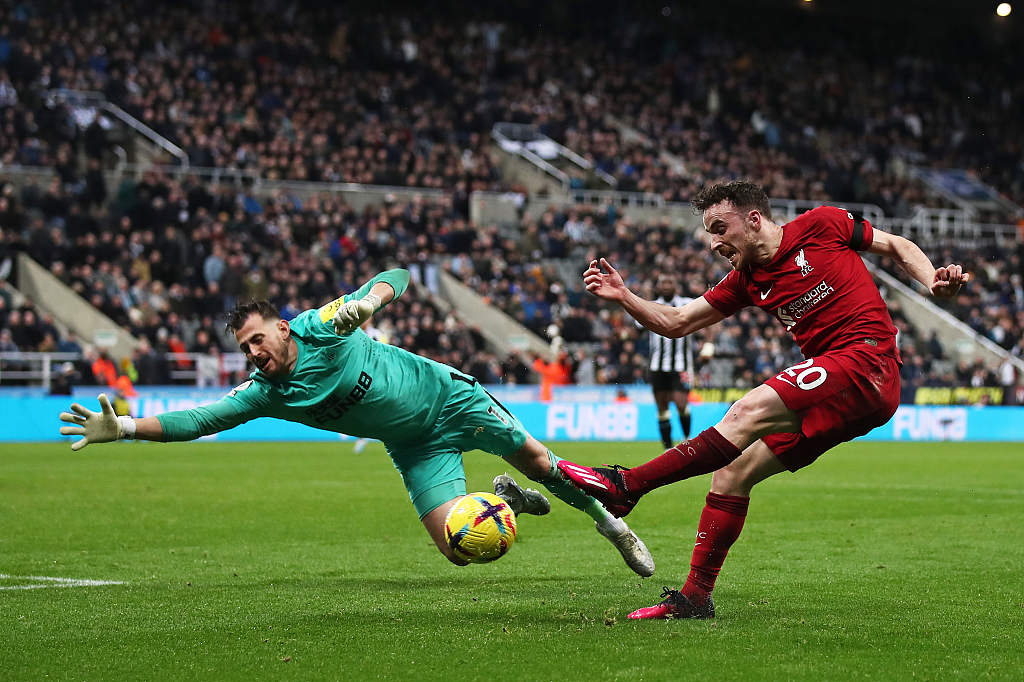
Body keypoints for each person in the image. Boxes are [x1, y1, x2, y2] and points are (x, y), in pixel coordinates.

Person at [60, 269, 654, 576]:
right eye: (245, 348)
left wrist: (369, 302)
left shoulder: (320, 326)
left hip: (450, 400)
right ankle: (507, 503)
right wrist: (127, 428)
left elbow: (394, 274)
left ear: (282, 328)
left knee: (541, 461)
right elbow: (197, 418)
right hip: (413, 445)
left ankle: (611, 526)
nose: (254, 353)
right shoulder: (265, 392)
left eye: (258, 339)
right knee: (458, 551)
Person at [557, 181, 969, 619]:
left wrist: (933, 281)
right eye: (710, 233)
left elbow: (897, 245)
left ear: (754, 220)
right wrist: (625, 296)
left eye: (720, 228)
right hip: (838, 388)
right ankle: (695, 598)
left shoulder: (822, 224)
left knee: (746, 411)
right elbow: (677, 321)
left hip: (868, 361)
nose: (714, 243)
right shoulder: (746, 280)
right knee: (732, 473)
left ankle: (627, 485)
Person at [641, 273, 696, 448]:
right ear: (658, 287)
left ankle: (687, 440)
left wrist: (708, 345)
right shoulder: (651, 306)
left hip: (681, 365)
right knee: (662, 408)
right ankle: (668, 449)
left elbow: (708, 322)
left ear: (676, 285)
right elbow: (638, 328)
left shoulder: (687, 303)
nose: (666, 285)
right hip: (657, 366)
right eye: (663, 282)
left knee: (681, 404)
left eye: (669, 282)